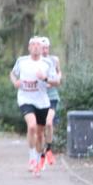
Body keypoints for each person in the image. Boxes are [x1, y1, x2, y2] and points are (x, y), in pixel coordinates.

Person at [9, 36, 59, 176]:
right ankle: (32, 158)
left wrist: (45, 78)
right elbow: (12, 74)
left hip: (42, 101)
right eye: (33, 45)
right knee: (31, 126)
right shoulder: (22, 61)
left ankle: (37, 161)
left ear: (42, 48)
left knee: (40, 134)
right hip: (25, 98)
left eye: (38, 45)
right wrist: (15, 82)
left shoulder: (47, 63)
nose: (36, 47)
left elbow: (56, 82)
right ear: (29, 48)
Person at [40, 36, 63, 165]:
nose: (45, 50)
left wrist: (57, 78)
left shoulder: (54, 60)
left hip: (52, 97)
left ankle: (49, 149)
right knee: (41, 127)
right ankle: (41, 153)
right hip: (39, 98)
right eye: (43, 48)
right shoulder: (36, 63)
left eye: (47, 48)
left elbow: (59, 73)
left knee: (49, 123)